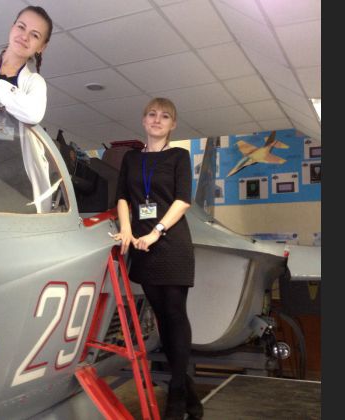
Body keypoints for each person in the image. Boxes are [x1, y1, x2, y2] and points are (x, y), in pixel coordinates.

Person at [113, 98, 203, 420]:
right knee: (162, 320)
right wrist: (126, 229)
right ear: (143, 120)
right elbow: (122, 197)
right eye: (152, 114)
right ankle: (187, 389)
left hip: (171, 242)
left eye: (165, 116)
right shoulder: (131, 158)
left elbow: (182, 201)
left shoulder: (179, 156)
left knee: (175, 314)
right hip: (142, 245)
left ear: (172, 124)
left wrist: (157, 231)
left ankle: (176, 396)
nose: (157, 119)